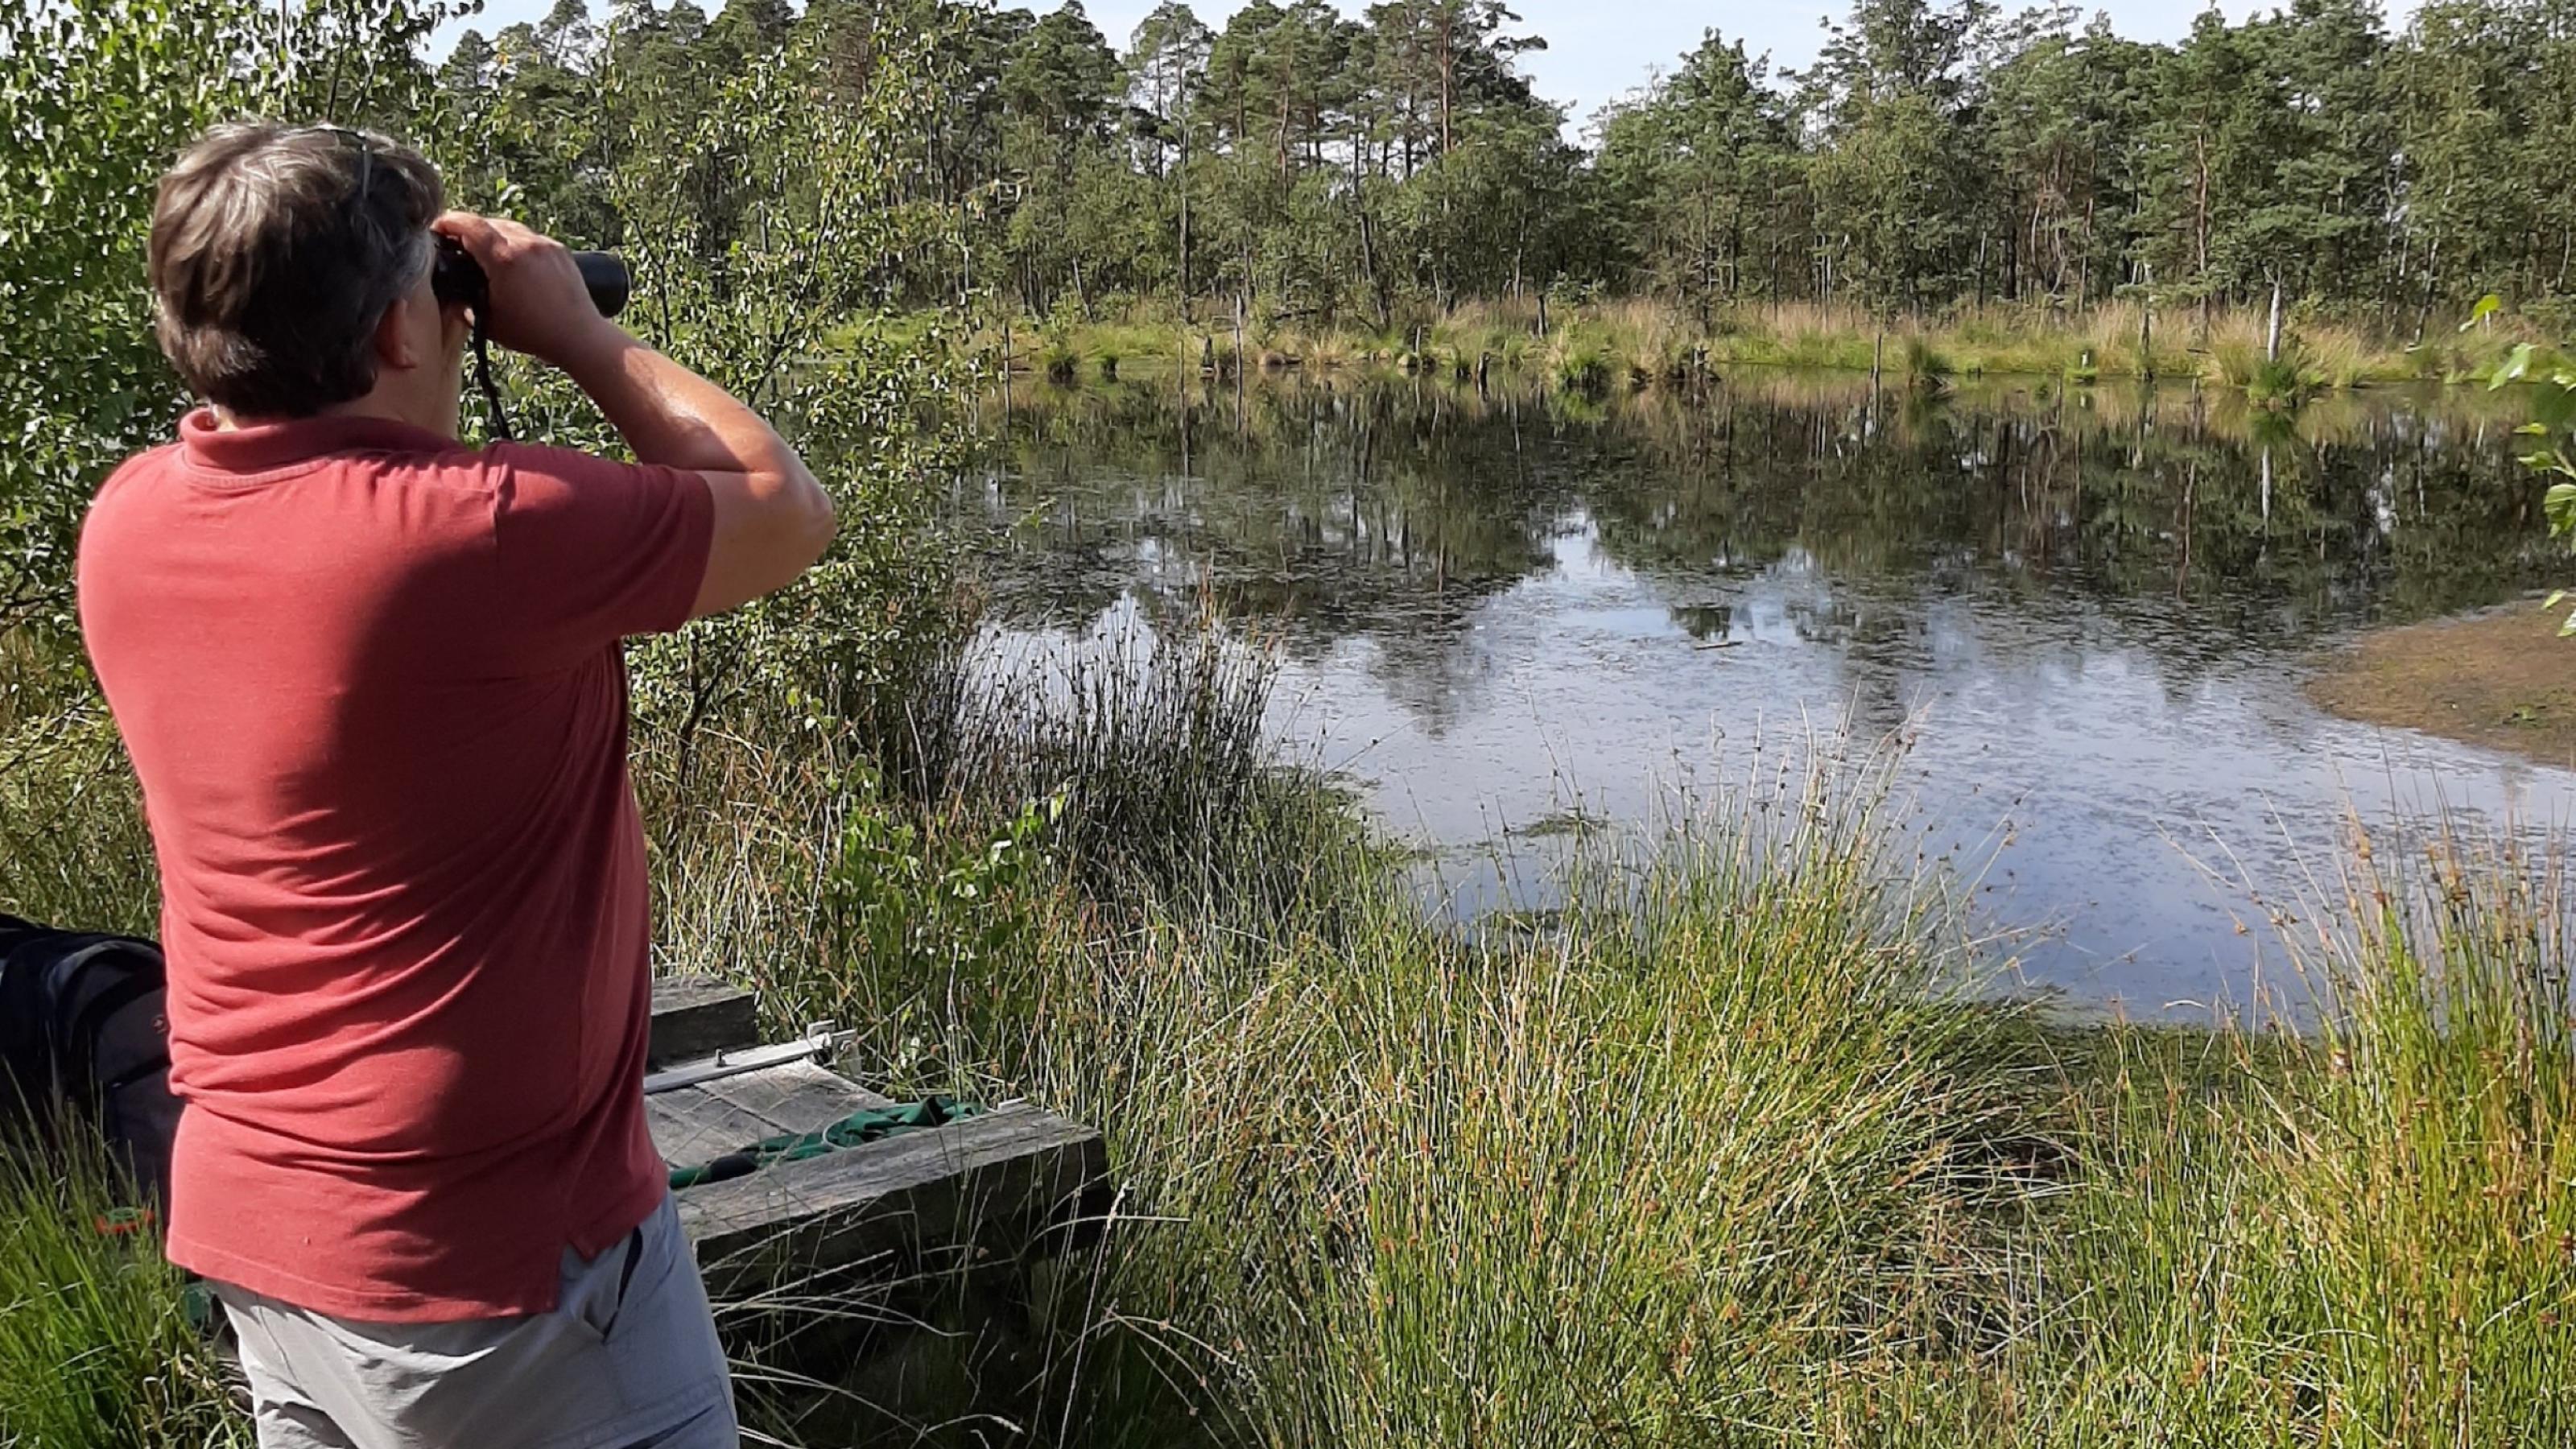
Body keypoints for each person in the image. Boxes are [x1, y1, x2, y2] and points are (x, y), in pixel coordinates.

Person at [76, 121, 836, 1447]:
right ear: (394, 333)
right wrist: (580, 338)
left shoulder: (129, 522)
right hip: (498, 1276)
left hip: (259, 1232)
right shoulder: (478, 535)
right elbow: (782, 507)